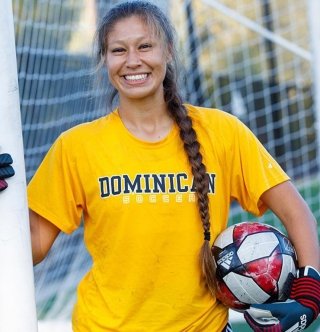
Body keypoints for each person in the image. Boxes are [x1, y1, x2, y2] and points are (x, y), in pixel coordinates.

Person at [1, 1, 319, 331]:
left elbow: (297, 213)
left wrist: (310, 292)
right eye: (118, 50)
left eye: (145, 46)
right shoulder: (76, 147)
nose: (132, 60)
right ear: (104, 60)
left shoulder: (222, 132)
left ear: (167, 51)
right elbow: (31, 247)